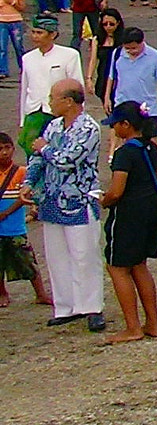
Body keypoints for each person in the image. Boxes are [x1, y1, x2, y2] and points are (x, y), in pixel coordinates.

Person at [24, 79, 105, 332]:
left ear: (68, 101)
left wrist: (44, 148)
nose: (50, 102)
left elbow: (67, 160)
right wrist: (28, 181)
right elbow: (38, 158)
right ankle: (66, 306)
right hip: (52, 198)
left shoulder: (88, 128)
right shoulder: (54, 126)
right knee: (57, 256)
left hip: (79, 199)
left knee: (84, 255)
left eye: (53, 97)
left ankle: (92, 307)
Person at [99, 100, 157, 344]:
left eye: (116, 125)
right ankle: (153, 323)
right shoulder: (152, 147)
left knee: (118, 267)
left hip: (129, 214)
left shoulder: (124, 153)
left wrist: (104, 200)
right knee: (140, 265)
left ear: (126, 125)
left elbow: (117, 191)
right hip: (152, 211)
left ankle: (132, 327)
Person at [0, 131, 53, 308]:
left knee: (28, 261)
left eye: (7, 148)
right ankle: (2, 293)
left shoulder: (21, 172)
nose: (4, 152)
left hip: (15, 227)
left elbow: (25, 196)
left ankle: (41, 294)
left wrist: (6, 213)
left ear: (13, 149)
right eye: (0, 149)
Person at [19, 15, 83, 145]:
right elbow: (25, 90)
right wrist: (23, 120)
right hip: (34, 112)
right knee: (30, 150)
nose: (35, 36)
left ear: (52, 34)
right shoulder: (28, 58)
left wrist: (78, 117)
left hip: (59, 113)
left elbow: (78, 88)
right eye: (33, 32)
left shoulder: (69, 55)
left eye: (40, 33)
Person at [110, 27, 157, 138]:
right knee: (122, 137)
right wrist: (107, 97)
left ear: (142, 42)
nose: (131, 51)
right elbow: (112, 77)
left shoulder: (155, 56)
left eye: (134, 48)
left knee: (153, 139)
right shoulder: (117, 53)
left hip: (148, 108)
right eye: (127, 48)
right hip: (123, 105)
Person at [90, 8, 125, 104]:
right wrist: (89, 78)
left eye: (111, 24)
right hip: (103, 75)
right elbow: (93, 60)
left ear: (118, 23)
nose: (108, 27)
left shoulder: (123, 39)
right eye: (105, 24)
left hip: (120, 76)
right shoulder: (97, 39)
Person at [0, 0, 25, 78]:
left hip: (15, 22)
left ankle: (24, 68)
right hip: (2, 22)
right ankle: (3, 70)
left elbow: (22, 8)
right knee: (2, 48)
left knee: (19, 47)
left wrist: (13, 2)